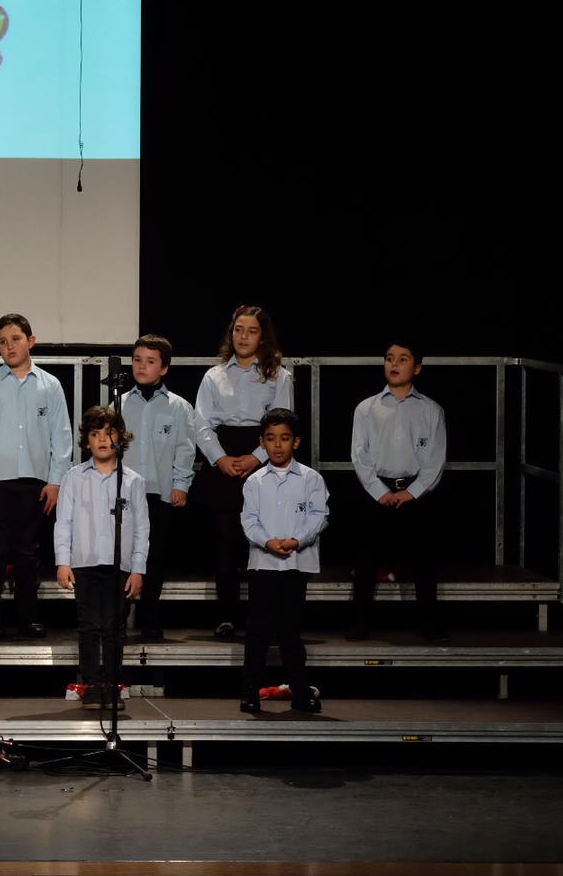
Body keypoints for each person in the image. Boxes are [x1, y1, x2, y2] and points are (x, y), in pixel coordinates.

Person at [0, 314, 72, 638]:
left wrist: (55, 480)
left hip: (35, 481)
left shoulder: (50, 385)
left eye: (15, 339)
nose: (9, 346)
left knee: (28, 552)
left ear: (31, 341)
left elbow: (61, 437)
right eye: (2, 341)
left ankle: (27, 617)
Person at [192, 305, 293, 638]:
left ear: (262, 337)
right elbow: (202, 424)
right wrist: (220, 459)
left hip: (263, 456)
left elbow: (282, 424)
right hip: (223, 458)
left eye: (251, 331)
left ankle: (264, 618)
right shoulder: (214, 375)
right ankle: (226, 616)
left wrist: (256, 457)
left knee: (263, 540)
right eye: (238, 330)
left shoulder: (278, 375)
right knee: (225, 540)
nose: (244, 337)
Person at [348, 340, 448, 641]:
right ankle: (359, 622)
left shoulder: (431, 409)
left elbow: (436, 458)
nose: (394, 364)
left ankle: (429, 623)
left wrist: (413, 492)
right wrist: (379, 491)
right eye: (390, 358)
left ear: (416, 368)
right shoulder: (367, 408)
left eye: (403, 359)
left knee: (424, 560)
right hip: (378, 492)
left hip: (415, 493)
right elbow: (359, 455)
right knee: (366, 560)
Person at [53, 405, 150, 710]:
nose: (102, 440)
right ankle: (93, 685)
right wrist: (63, 561)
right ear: (87, 441)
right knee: (89, 625)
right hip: (85, 562)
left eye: (109, 433)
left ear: (120, 437)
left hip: (119, 564)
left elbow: (142, 528)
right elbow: (64, 522)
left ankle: (111, 684)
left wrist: (138, 568)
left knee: (114, 627)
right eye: (95, 434)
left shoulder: (133, 481)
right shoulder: (74, 477)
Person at [239, 408, 327, 714]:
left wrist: (296, 541)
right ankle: (249, 693)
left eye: (285, 438)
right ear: (261, 442)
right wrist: (268, 542)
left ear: (296, 442)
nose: (277, 445)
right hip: (263, 564)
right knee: (258, 631)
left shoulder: (311, 479)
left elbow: (319, 516)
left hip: (295, 564)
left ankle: (301, 693)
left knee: (290, 631)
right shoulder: (254, 481)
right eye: (271, 438)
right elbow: (249, 520)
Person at [120, 335, 195, 641]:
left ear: (163, 368)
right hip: (124, 495)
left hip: (158, 493)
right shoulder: (119, 404)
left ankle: (149, 618)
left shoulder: (178, 407)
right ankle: (119, 619)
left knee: (155, 557)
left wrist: (181, 484)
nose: (142, 366)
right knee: (123, 555)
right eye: (137, 360)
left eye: (150, 361)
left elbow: (185, 450)